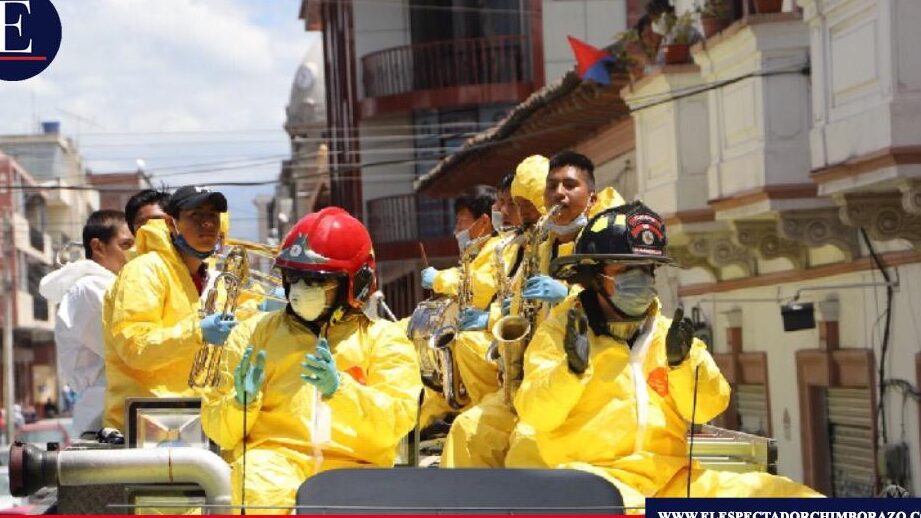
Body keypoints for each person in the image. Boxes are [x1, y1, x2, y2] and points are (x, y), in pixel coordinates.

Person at [515, 201, 821, 510]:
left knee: (786, 497)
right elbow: (536, 414)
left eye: (647, 270)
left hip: (675, 479)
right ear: (595, 274)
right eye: (627, 269)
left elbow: (708, 408)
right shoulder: (560, 334)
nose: (642, 279)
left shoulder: (669, 335)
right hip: (594, 483)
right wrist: (570, 372)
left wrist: (682, 366)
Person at [200, 207, 421, 514]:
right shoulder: (252, 335)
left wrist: (340, 390)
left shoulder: (384, 340)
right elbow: (218, 431)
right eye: (295, 278)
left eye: (317, 282)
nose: (302, 291)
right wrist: (241, 404)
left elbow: (397, 423)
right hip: (273, 462)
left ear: (354, 283)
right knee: (254, 488)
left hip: (356, 466)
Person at [442, 151, 625, 468]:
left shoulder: (611, 239)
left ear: (591, 195)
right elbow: (518, 303)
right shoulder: (540, 241)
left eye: (569, 185)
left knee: (525, 450)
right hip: (532, 380)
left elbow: (623, 299)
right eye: (552, 188)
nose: (559, 194)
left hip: (585, 388)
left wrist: (566, 294)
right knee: (467, 430)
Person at [102, 185, 237, 431]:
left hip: (194, 422)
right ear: (171, 224)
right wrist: (197, 332)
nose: (206, 223)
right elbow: (135, 346)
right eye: (195, 215)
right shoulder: (144, 271)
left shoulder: (211, 279)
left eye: (213, 216)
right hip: (144, 424)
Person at [416, 186, 512, 434]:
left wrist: (438, 279)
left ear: (483, 222)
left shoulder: (498, 247)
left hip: (492, 346)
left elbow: (481, 284)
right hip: (482, 338)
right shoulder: (477, 251)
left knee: (468, 344)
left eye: (461, 221)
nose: (456, 229)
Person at [39, 210, 135, 434]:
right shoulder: (90, 288)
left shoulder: (110, 284)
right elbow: (130, 349)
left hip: (118, 405)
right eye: (126, 245)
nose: (134, 253)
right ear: (98, 247)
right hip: (102, 413)